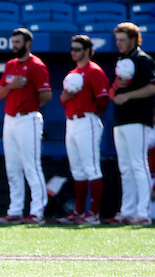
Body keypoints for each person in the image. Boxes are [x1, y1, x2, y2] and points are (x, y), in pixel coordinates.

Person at [0, 28, 51, 225]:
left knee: (31, 165)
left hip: (28, 118)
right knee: (12, 167)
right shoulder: (10, 65)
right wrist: (12, 86)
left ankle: (37, 211)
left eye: (18, 42)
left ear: (28, 44)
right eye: (13, 41)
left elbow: (46, 95)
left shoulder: (36, 65)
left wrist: (28, 101)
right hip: (10, 119)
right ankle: (15, 210)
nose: (14, 45)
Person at [106, 22, 155, 225]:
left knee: (139, 164)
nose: (118, 43)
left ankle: (143, 212)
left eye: (122, 39)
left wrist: (128, 95)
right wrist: (116, 88)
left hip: (138, 118)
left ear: (133, 39)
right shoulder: (122, 60)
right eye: (117, 40)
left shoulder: (142, 59)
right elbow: (114, 94)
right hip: (121, 119)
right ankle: (127, 211)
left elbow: (154, 86)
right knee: (125, 167)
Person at [57, 34, 109, 225]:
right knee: (77, 169)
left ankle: (93, 213)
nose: (74, 52)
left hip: (87, 120)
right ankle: (79, 211)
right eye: (72, 49)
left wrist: (90, 110)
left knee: (91, 167)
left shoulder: (94, 71)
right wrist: (64, 97)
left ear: (87, 51)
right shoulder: (73, 73)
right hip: (71, 121)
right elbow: (63, 101)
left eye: (77, 49)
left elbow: (103, 101)